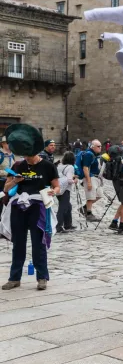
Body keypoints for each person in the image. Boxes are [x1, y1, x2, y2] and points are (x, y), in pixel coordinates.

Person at [2, 124, 60, 291]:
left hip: (38, 208)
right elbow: (6, 188)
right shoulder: (17, 165)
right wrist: (15, 181)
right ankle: (14, 278)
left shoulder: (48, 166)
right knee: (18, 244)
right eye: (25, 156)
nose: (28, 159)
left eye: (30, 156)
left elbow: (57, 187)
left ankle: (42, 277)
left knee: (38, 244)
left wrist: (52, 192)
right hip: (19, 208)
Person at [80, 140, 103, 222]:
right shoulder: (88, 154)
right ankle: (89, 214)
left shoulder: (94, 154)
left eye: (100, 146)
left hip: (96, 178)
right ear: (92, 146)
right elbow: (85, 168)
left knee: (99, 195)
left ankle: (84, 208)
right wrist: (88, 181)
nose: (100, 148)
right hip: (91, 177)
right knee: (90, 197)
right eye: (98, 146)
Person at [55, 151, 77, 233]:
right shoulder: (70, 167)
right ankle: (58, 226)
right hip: (65, 189)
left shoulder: (60, 166)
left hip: (58, 187)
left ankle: (68, 224)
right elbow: (69, 180)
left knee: (68, 206)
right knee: (63, 207)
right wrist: (75, 180)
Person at [0, 135, 16, 216]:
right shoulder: (0, 155)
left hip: (10, 183)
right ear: (2, 144)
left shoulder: (12, 155)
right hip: (1, 183)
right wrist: (8, 173)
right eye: (7, 143)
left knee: (8, 202)